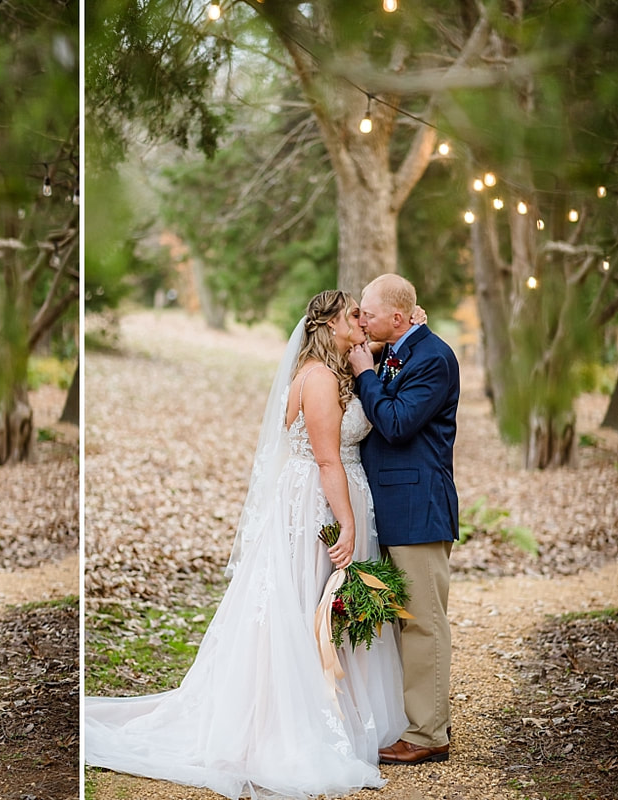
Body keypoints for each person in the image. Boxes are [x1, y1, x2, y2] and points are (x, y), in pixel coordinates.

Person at [85, 290, 408, 800]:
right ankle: (288, 721)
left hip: (337, 495)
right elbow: (327, 460)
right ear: (328, 324)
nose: (361, 323)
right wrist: (346, 524)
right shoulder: (320, 379)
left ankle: (339, 711)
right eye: (352, 316)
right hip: (320, 504)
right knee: (308, 605)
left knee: (326, 609)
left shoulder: (339, 371)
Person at [347, 273, 460, 766]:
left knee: (423, 623)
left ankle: (429, 733)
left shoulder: (433, 358)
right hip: (386, 507)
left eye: (367, 312)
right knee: (396, 621)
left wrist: (363, 374)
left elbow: (395, 425)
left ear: (399, 318)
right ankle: (413, 718)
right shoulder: (397, 349)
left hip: (420, 508)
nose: (361, 319)